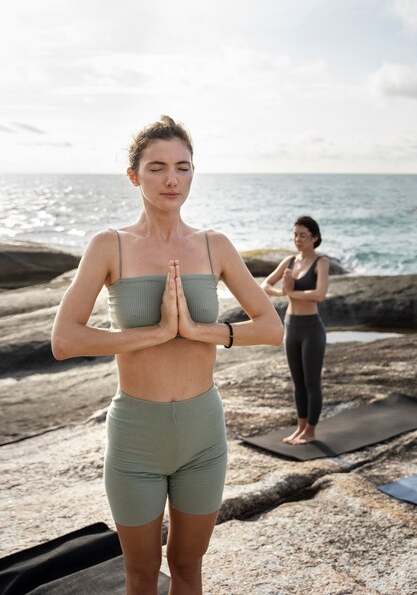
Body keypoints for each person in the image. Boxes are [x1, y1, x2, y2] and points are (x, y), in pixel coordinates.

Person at [51, 115, 284, 595]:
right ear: (134, 176)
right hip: (137, 435)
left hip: (203, 434)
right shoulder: (109, 246)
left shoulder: (213, 245)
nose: (171, 179)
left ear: (194, 172)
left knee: (187, 566)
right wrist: (153, 333)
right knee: (139, 574)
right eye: (156, 168)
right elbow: (65, 339)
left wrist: (200, 330)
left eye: (182, 166)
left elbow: (271, 327)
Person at [261, 216, 329, 445]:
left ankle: (310, 431)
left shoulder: (321, 262)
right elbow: (265, 285)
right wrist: (282, 292)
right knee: (297, 382)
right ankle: (300, 428)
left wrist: (291, 292)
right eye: (295, 235)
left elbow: (319, 294)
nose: (298, 240)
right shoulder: (289, 261)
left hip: (312, 329)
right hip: (291, 326)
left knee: (312, 382)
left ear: (315, 238)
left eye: (303, 235)